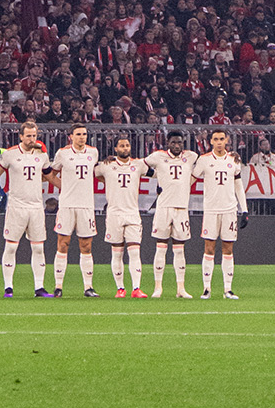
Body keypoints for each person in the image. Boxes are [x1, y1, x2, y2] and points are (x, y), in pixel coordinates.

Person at [0, 121, 53, 296]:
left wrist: (66, 188)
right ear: (21, 136)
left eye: (34, 135)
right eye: (28, 136)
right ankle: (8, 287)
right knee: (11, 247)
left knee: (38, 248)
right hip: (16, 205)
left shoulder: (41, 155)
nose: (31, 139)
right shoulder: (10, 154)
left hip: (36, 206)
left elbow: (49, 176)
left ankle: (39, 287)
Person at [194, 129, 249, 300]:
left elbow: (238, 186)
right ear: (211, 141)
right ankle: (207, 288)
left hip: (229, 210)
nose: (219, 142)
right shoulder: (203, 160)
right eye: (215, 139)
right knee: (209, 248)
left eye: (221, 139)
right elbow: (191, 179)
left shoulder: (234, 160)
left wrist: (244, 210)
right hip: (210, 210)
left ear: (227, 141)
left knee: (228, 249)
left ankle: (227, 289)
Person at [50, 124, 103, 297]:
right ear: (71, 136)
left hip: (86, 205)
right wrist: (63, 187)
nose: (82, 137)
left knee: (86, 246)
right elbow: (50, 173)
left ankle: (88, 287)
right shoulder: (62, 153)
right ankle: (58, 287)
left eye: (84, 134)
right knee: (62, 243)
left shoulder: (93, 152)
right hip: (67, 205)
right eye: (78, 134)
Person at [145, 131, 196, 298]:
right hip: (164, 208)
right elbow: (140, 166)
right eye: (173, 142)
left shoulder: (190, 156)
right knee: (161, 248)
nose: (177, 145)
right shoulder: (158, 157)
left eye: (180, 142)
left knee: (179, 250)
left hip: (181, 208)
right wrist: (156, 178)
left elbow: (209, 161)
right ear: (168, 143)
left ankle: (180, 288)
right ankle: (158, 287)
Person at [97, 137, 150, 297]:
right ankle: (120, 288)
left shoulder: (138, 165)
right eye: (121, 146)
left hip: (133, 213)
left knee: (134, 252)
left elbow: (156, 173)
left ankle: (136, 288)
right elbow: (91, 173)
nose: (125, 148)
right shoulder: (107, 165)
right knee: (117, 253)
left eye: (127, 145)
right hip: (114, 214)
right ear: (116, 149)